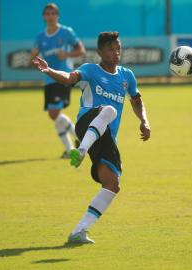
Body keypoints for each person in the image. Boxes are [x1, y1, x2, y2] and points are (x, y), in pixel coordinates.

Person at [32, 31, 151, 244]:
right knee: (109, 110)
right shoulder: (90, 70)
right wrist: (48, 70)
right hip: (86, 123)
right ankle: (81, 149)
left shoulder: (126, 76)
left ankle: (79, 231)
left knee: (112, 184)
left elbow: (136, 100)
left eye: (118, 49)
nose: (115, 53)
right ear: (100, 52)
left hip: (104, 137)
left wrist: (144, 121)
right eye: (110, 49)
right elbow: (69, 78)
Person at [30, 3, 86, 158]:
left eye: (53, 13)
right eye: (47, 13)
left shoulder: (66, 32)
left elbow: (81, 50)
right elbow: (33, 57)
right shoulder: (40, 37)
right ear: (43, 16)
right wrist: (34, 58)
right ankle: (70, 150)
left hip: (63, 77)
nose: (50, 16)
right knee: (53, 115)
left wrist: (66, 55)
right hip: (49, 78)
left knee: (54, 113)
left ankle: (80, 139)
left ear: (58, 16)